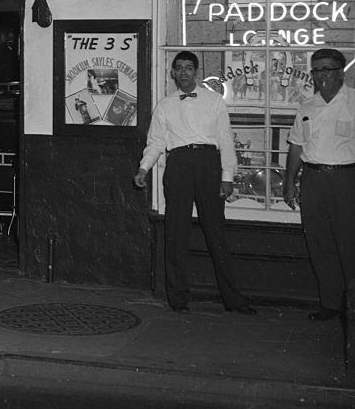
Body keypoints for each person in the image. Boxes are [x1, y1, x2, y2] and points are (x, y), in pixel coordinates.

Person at [133, 51, 256, 314]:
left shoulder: (213, 101)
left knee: (216, 233)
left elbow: (226, 140)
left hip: (209, 165)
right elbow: (155, 142)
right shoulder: (165, 105)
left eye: (189, 68)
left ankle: (233, 300)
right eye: (179, 68)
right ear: (173, 73)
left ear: (196, 72)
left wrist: (227, 177)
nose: (184, 73)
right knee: (176, 232)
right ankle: (178, 298)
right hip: (178, 165)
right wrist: (144, 169)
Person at [283, 48, 355, 322]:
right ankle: (331, 304)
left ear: (341, 72)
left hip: (346, 180)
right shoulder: (307, 107)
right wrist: (289, 183)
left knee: (349, 244)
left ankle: (351, 307)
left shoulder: (353, 102)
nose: (321, 76)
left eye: (328, 70)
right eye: (317, 71)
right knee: (319, 242)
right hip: (313, 180)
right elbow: (296, 146)